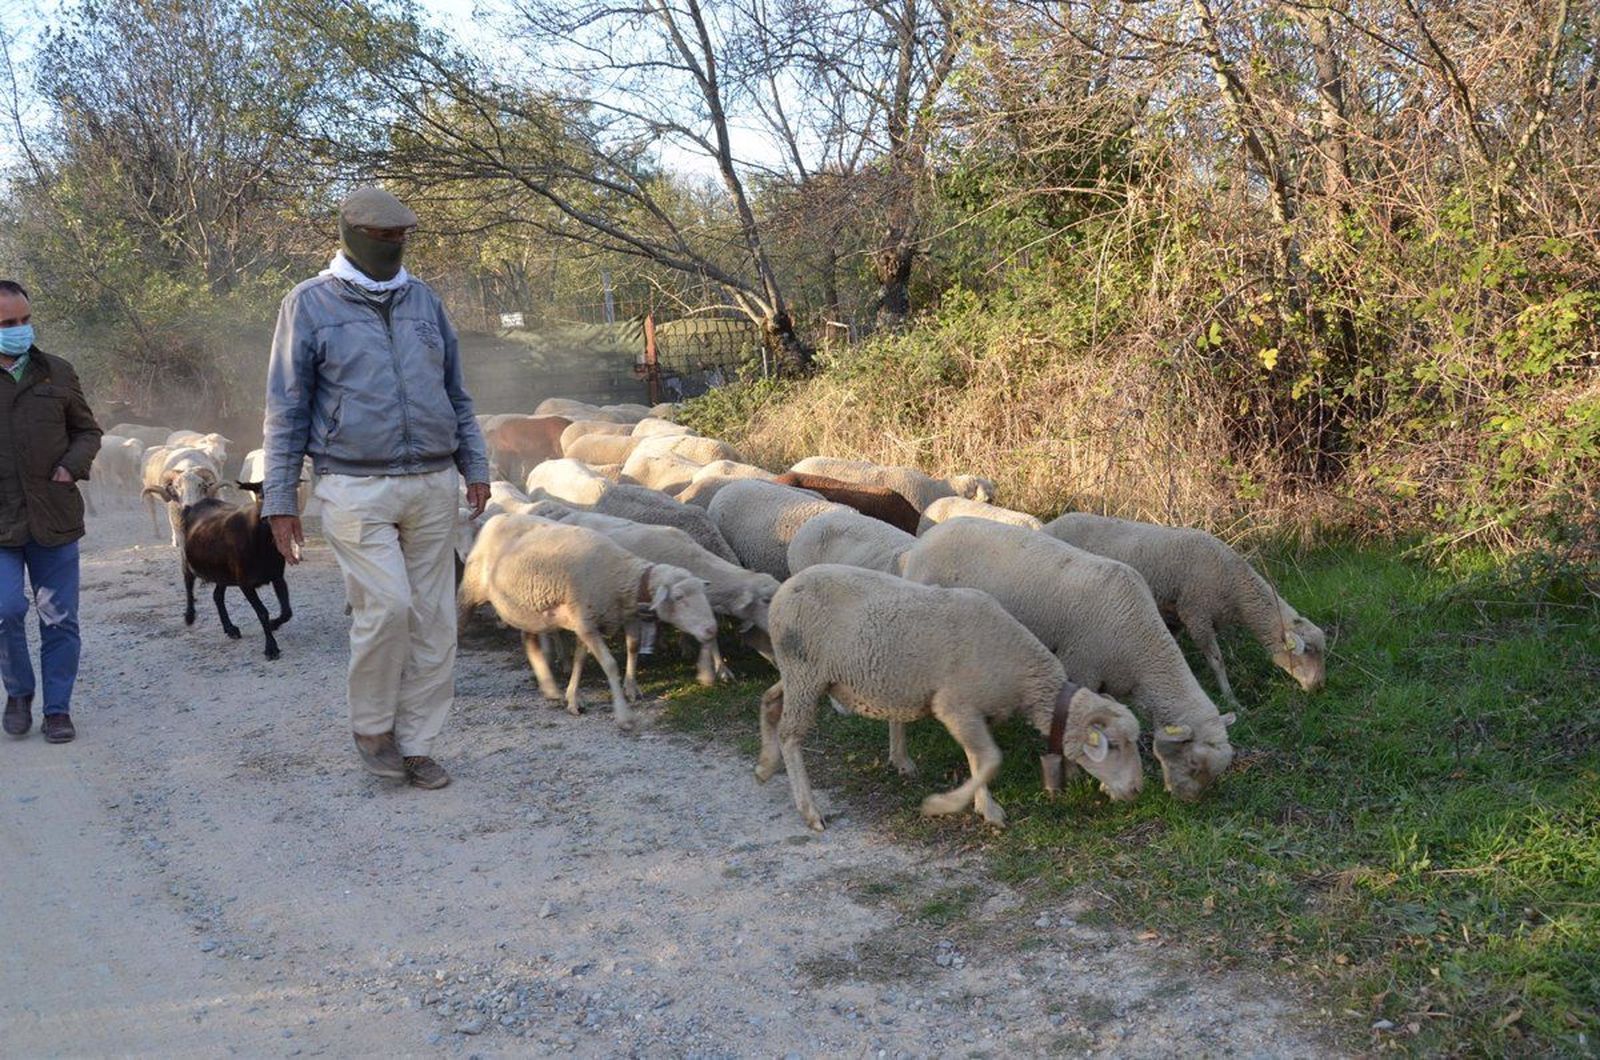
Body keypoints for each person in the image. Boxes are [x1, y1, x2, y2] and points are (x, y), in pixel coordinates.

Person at [262, 188, 490, 790]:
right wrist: (279, 502)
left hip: (432, 481)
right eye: (381, 237)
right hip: (353, 483)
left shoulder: (423, 302)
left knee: (436, 619)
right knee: (387, 606)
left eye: (400, 238)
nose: (392, 246)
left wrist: (476, 464)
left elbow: (457, 394)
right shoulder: (309, 305)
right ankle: (372, 728)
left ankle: (416, 743)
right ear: (350, 234)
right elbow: (286, 409)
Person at [0, 279, 103, 744]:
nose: (20, 330)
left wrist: (71, 466)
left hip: (55, 515)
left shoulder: (57, 372)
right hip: (2, 519)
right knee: (5, 609)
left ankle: (57, 710)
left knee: (60, 618)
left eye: (24, 320)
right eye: (7, 324)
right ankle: (19, 692)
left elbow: (88, 431)